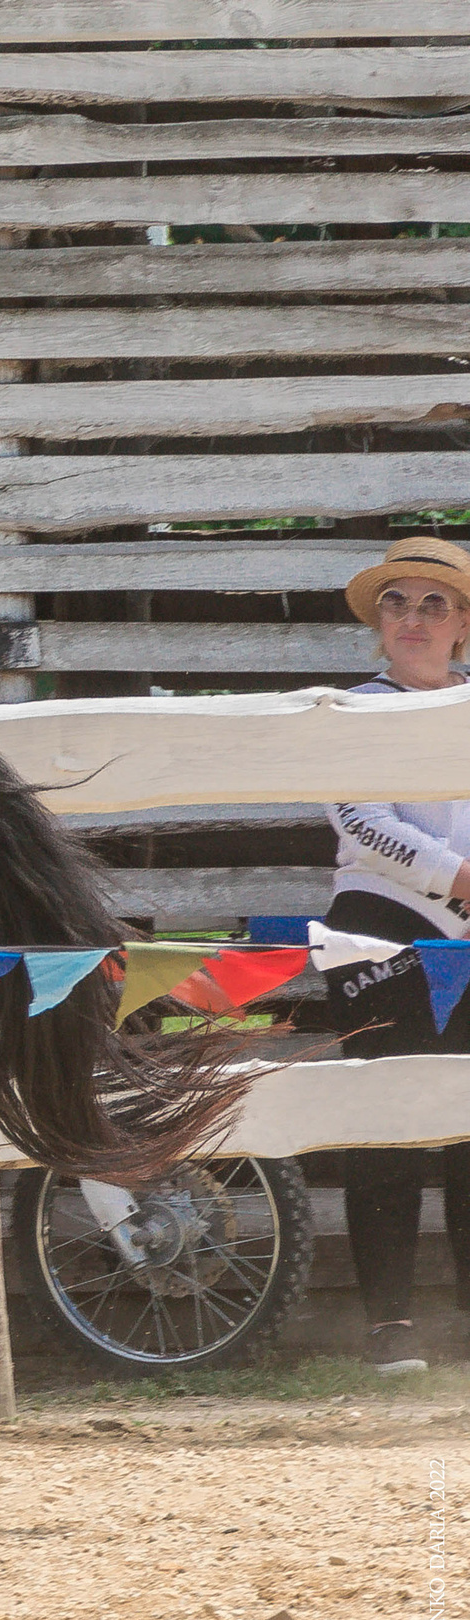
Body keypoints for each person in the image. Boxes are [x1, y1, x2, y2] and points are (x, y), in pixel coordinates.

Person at [320, 535, 470, 1374]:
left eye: (433, 603)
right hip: (378, 923)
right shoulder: (348, 712)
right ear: (379, 623)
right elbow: (365, 825)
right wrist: (460, 878)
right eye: (397, 602)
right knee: (387, 1120)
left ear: (463, 626)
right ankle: (389, 1326)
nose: (412, 618)